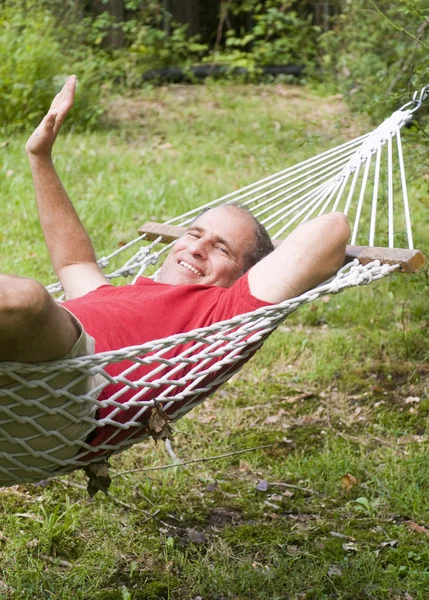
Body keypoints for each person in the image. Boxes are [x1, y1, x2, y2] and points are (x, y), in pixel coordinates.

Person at [0, 76, 350, 482]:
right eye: (194, 233)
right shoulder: (117, 295)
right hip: (25, 370)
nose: (197, 248)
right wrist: (39, 155)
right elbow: (75, 262)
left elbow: (332, 228)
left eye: (222, 249)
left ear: (246, 275)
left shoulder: (223, 315)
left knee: (25, 299)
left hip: (62, 404)